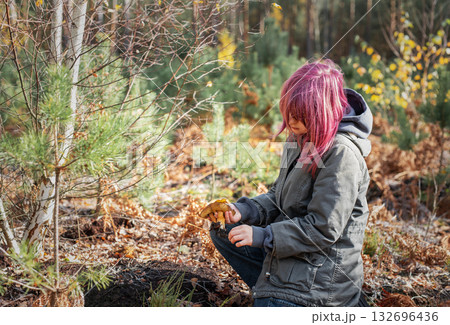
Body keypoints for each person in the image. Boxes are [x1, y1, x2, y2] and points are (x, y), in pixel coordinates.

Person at [209, 59, 373, 307]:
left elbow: (322, 228)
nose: (292, 122)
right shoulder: (300, 138)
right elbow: (278, 196)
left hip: (323, 274)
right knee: (224, 230)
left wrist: (263, 236)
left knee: (269, 304)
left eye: (301, 115)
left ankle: (285, 296)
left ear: (323, 111)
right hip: (296, 250)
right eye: (289, 113)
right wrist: (243, 211)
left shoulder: (341, 154)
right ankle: (274, 290)